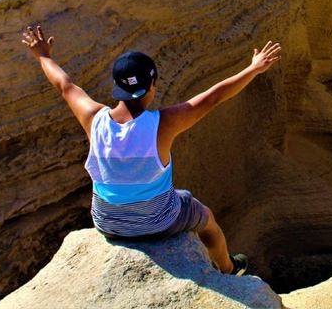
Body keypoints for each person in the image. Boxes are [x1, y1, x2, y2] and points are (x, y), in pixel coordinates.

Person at [21, 25, 281, 275]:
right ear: (152, 84)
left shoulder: (92, 118)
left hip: (107, 223)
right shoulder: (162, 123)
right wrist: (253, 69)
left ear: (116, 86)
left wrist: (42, 55)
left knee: (181, 195)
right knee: (206, 218)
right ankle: (228, 268)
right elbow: (213, 96)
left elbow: (64, 85)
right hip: (157, 223)